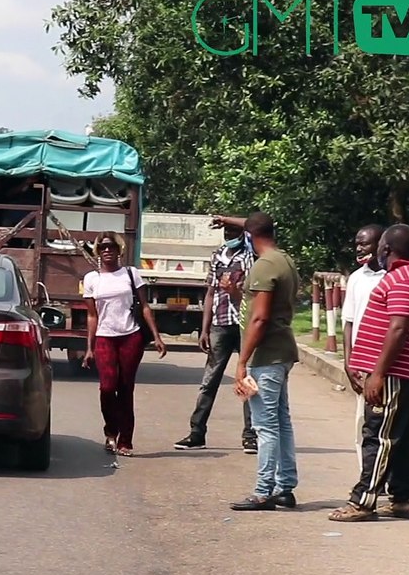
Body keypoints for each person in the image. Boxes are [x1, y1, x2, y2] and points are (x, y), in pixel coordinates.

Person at [331, 224, 409, 522]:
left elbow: (399, 327)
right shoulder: (400, 277)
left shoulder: (401, 279)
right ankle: (402, 500)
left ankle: (363, 501)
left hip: (392, 374)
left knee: (378, 436)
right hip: (393, 372)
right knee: (394, 435)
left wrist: (378, 373)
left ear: (386, 248)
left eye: (379, 244)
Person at [229, 212, 301, 511]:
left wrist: (242, 361)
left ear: (249, 237)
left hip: (266, 355)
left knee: (265, 426)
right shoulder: (284, 260)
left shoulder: (264, 266)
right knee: (281, 422)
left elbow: (259, 318)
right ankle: (285, 486)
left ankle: (263, 491)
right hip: (282, 352)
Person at [82, 231, 168, 456]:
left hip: (131, 336)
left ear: (119, 250)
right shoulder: (91, 279)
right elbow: (92, 315)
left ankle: (125, 441)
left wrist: (157, 336)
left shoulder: (131, 274)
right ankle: (111, 430)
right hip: (104, 337)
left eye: (111, 247)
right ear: (97, 252)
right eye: (103, 247)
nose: (107, 251)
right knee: (107, 387)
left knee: (126, 388)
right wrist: (89, 347)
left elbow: (145, 306)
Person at [175, 221, 256, 452]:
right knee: (209, 381)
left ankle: (250, 434)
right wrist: (204, 328)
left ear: (242, 234)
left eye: (234, 231)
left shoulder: (250, 257)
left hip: (243, 323)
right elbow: (210, 292)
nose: (230, 234)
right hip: (220, 324)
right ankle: (196, 432)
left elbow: (252, 293)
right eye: (227, 231)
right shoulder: (218, 256)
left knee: (247, 379)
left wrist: (235, 291)